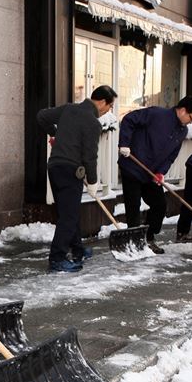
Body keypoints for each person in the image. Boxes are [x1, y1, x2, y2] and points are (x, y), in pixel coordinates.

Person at [36, 85, 118, 272]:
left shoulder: (69, 109)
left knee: (68, 211)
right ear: (103, 102)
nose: (108, 110)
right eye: (110, 106)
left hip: (55, 167)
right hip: (70, 171)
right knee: (69, 215)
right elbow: (90, 156)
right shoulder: (92, 122)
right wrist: (93, 181)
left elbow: (41, 116)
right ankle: (57, 259)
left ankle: (78, 250)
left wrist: (54, 132)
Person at [117, 95, 192, 254]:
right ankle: (134, 243)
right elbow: (129, 119)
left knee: (159, 205)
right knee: (133, 206)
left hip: (150, 173)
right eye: (191, 117)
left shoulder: (182, 131)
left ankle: (148, 238)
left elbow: (172, 155)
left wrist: (160, 172)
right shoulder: (157, 114)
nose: (191, 121)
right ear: (183, 110)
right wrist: (124, 143)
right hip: (133, 166)